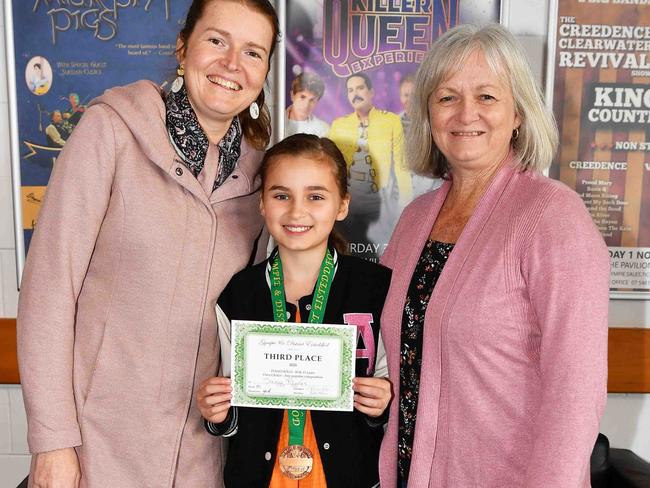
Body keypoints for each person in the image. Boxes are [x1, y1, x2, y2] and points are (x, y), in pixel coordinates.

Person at [17, 1, 279, 486]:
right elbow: (48, 291)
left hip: (203, 459)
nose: (232, 65)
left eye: (253, 52)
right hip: (98, 450)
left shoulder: (260, 179)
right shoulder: (111, 132)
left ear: (264, 72)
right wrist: (52, 441)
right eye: (217, 41)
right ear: (183, 47)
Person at [378, 24, 609, 487]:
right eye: (447, 97)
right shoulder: (413, 220)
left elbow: (576, 392)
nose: (466, 114)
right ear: (428, 113)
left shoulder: (552, 216)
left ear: (519, 113)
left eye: (487, 96)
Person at [197, 133, 392, 487]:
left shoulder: (376, 289)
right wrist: (219, 413)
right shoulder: (239, 295)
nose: (297, 211)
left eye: (315, 196)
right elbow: (235, 411)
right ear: (262, 204)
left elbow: (396, 401)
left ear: (343, 205)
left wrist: (383, 404)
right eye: (281, 195)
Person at [329, 73, 411, 259]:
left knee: (380, 257)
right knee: (345, 257)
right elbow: (325, 166)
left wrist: (405, 206)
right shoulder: (338, 125)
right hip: (346, 204)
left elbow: (401, 166)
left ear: (371, 92)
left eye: (360, 88)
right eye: (350, 90)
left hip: (379, 203)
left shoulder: (391, 121)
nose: (355, 94)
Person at [285, 72, 329, 137]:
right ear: (292, 96)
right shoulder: (273, 121)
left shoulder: (322, 129)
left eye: (312, 100)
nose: (306, 105)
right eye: (302, 97)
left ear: (317, 102)